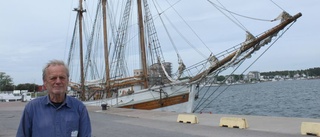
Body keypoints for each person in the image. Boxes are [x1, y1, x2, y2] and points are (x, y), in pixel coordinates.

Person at [16, 60, 91, 137]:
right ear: (45, 82)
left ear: (67, 81)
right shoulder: (32, 108)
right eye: (53, 78)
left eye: (62, 77)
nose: (58, 81)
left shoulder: (79, 108)